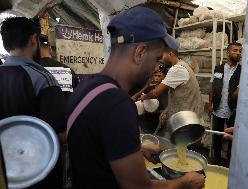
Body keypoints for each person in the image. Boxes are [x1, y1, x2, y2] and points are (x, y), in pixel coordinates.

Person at [67, 7, 205, 189]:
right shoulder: (119, 106)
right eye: (157, 60)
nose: (157, 69)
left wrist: (138, 150)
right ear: (140, 53)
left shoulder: (86, 87)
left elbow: (94, 145)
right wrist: (184, 182)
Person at [0, 17, 66, 189]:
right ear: (33, 39)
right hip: (39, 173)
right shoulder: (42, 79)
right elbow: (58, 134)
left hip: (7, 173)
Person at [140, 49, 204, 126]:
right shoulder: (182, 66)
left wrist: (144, 97)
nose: (160, 60)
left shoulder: (177, 69)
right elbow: (180, 96)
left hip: (187, 121)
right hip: (189, 118)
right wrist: (167, 110)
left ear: (170, 54)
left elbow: (155, 93)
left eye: (161, 57)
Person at [208, 42, 242, 163]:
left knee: (233, 139)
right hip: (218, 109)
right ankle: (215, 161)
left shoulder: (243, 71)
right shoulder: (218, 69)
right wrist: (210, 104)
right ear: (228, 52)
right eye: (235, 50)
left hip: (233, 111)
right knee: (216, 136)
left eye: (240, 51)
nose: (238, 53)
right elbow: (212, 88)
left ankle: (229, 164)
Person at [39, 34, 79, 110]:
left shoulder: (31, 70)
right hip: (65, 119)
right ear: (50, 50)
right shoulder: (68, 71)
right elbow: (77, 99)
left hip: (39, 121)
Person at [132, 65, 168, 133]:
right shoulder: (150, 88)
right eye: (155, 75)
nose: (156, 78)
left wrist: (156, 111)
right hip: (145, 122)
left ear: (165, 77)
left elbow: (169, 108)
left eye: (159, 76)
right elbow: (141, 99)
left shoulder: (166, 92)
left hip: (157, 124)